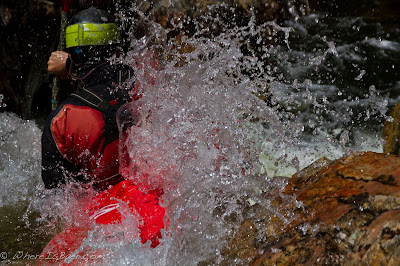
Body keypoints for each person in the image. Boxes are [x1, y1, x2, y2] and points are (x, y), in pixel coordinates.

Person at [41, 7, 165, 249]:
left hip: (109, 221)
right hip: (153, 204)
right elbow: (110, 76)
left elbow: (58, 198)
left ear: (72, 55)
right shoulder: (143, 81)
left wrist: (70, 70)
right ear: (115, 48)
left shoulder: (63, 120)